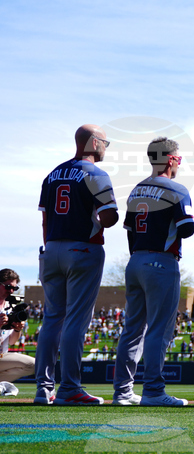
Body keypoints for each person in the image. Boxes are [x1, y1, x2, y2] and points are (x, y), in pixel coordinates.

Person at [36, 125, 119, 405]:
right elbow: (109, 217)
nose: (106, 146)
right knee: (75, 320)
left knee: (51, 321)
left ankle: (43, 389)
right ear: (94, 143)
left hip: (52, 248)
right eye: (105, 142)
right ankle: (70, 387)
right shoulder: (95, 173)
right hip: (82, 248)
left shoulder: (52, 174)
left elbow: (45, 220)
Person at [112, 138, 194, 407]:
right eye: (179, 159)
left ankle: (123, 392)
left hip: (135, 260)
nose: (180, 163)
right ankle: (154, 391)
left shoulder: (136, 190)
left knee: (133, 329)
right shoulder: (176, 188)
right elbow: (187, 229)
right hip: (161, 261)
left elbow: (130, 232)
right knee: (159, 329)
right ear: (170, 159)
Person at [0, 269, 33, 395]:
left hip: (1, 355)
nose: (11, 291)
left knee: (33, 364)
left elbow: (12, 341)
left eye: (14, 287)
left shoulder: (11, 306)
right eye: (8, 287)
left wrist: (17, 328)